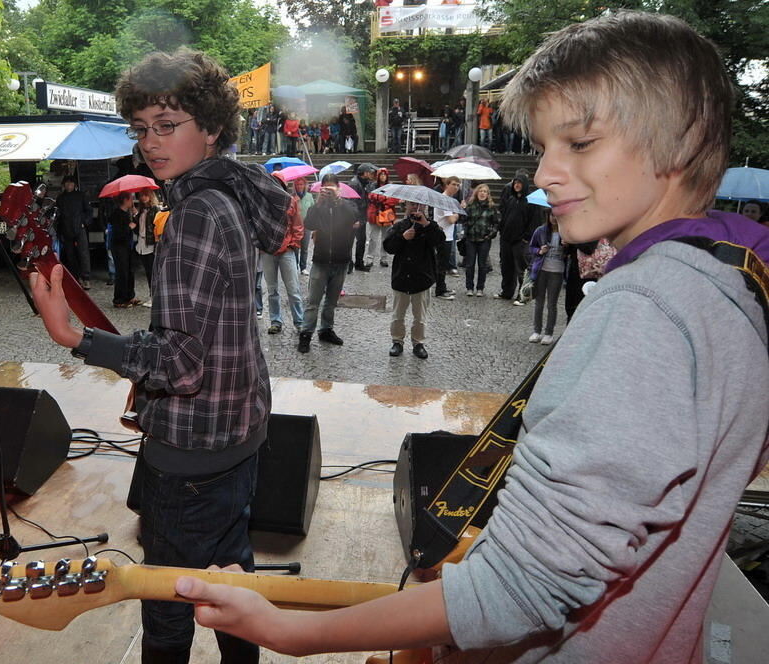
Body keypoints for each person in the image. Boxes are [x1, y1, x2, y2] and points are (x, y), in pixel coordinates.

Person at [169, 12, 769, 662]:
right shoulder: (727, 279)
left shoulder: (648, 308)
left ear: (676, 145)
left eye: (581, 144)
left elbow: (520, 591)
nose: (544, 173)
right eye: (544, 146)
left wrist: (291, 629)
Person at [28, 47, 290, 664]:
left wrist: (76, 338)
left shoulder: (195, 214)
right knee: (232, 577)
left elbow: (181, 363)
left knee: (166, 602)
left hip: (196, 445)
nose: (151, 141)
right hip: (241, 426)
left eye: (168, 126)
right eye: (142, 128)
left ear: (212, 127)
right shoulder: (232, 195)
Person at [297, 173, 359, 354]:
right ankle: (305, 334)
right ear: (321, 189)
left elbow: (354, 217)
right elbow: (308, 224)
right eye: (326, 188)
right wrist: (318, 203)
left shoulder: (347, 205)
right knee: (313, 302)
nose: (329, 192)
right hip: (321, 260)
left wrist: (339, 201)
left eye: (332, 188)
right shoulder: (319, 207)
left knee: (331, 301)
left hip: (340, 260)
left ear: (338, 188)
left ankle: (326, 330)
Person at [383, 201, 438, 359]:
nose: (415, 208)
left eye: (419, 205)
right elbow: (389, 247)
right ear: (406, 207)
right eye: (412, 205)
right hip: (401, 277)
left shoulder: (430, 226)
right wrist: (402, 237)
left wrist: (426, 225)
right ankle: (397, 341)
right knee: (398, 314)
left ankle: (418, 342)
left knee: (420, 316)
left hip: (422, 278)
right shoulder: (400, 226)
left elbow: (439, 242)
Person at [262, 174, 305, 334]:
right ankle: (275, 321)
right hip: (268, 251)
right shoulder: (264, 202)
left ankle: (299, 321)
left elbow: (298, 225)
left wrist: (293, 244)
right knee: (272, 289)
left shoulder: (291, 201)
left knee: (293, 289)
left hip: (286, 250)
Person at [494, 172, 535, 304]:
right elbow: (505, 216)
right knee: (506, 267)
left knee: (521, 269)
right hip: (506, 238)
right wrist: (501, 230)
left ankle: (522, 295)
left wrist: (526, 238)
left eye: (520, 183)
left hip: (520, 241)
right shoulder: (511, 199)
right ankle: (507, 291)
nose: (517, 185)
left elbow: (534, 221)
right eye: (515, 183)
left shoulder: (530, 201)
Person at [527, 210, 565, 344]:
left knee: (552, 304)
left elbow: (572, 251)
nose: (554, 218)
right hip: (541, 270)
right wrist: (539, 250)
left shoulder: (566, 232)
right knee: (539, 302)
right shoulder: (541, 231)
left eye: (556, 215)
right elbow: (531, 248)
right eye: (551, 215)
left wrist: (567, 247)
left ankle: (549, 332)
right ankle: (536, 331)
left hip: (557, 271)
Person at [53, 175, 93, 289]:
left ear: (75, 184)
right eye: (66, 183)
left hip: (79, 228)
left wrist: (84, 222)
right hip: (66, 229)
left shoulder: (81, 195)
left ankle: (86, 278)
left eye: (71, 183)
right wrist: (59, 231)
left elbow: (88, 211)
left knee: (83, 253)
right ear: (64, 185)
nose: (68, 185)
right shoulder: (60, 198)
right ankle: (75, 278)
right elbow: (58, 216)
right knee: (70, 255)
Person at [461, 183, 499, 296]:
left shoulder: (491, 207)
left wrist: (490, 235)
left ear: (488, 194)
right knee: (469, 264)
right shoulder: (470, 205)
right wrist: (462, 209)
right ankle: (469, 287)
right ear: (476, 193)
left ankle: (480, 288)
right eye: (480, 191)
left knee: (482, 265)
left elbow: (496, 224)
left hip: (484, 240)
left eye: (485, 191)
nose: (482, 193)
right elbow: (464, 221)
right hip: (471, 239)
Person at [433, 176, 461, 300]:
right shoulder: (444, 200)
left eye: (458, 185)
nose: (456, 187)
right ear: (447, 184)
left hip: (448, 236)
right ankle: (440, 290)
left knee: (443, 264)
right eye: (454, 184)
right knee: (442, 264)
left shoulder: (450, 199)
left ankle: (442, 286)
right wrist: (458, 213)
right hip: (443, 236)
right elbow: (450, 220)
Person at [109, 192, 139, 307]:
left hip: (127, 245)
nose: (132, 201)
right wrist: (128, 227)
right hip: (118, 246)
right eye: (131, 199)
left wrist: (135, 216)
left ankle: (129, 296)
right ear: (125, 200)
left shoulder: (127, 213)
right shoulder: (116, 214)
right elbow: (118, 233)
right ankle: (119, 299)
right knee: (122, 272)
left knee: (130, 270)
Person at [346, 163, 377, 273]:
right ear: (365, 173)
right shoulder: (355, 183)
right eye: (370, 172)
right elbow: (351, 202)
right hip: (354, 218)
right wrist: (355, 219)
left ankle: (359, 263)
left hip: (362, 217)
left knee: (361, 240)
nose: (371, 174)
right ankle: (349, 264)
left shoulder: (365, 183)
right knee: (349, 241)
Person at [366, 168, 398, 268]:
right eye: (381, 174)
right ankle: (369, 258)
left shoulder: (391, 186)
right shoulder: (372, 186)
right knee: (373, 238)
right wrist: (385, 198)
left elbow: (394, 200)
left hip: (387, 215)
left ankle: (383, 258)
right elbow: (371, 197)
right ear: (378, 176)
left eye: (385, 174)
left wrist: (382, 199)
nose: (383, 176)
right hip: (375, 214)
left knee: (385, 238)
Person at [134, 188, 160, 306]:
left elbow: (157, 228)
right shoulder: (141, 210)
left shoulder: (155, 209)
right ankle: (152, 295)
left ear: (150, 196)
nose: (143, 197)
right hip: (141, 243)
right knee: (148, 272)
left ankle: (154, 297)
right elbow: (138, 228)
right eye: (141, 195)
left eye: (145, 195)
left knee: (152, 272)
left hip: (150, 244)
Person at [294, 176, 315, 274]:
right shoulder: (293, 196)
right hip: (296, 226)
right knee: (295, 247)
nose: (299, 186)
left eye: (301, 184)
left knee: (305, 247)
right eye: (297, 184)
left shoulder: (309, 196)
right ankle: (295, 266)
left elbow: (313, 209)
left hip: (307, 225)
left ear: (305, 185)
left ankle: (303, 267)